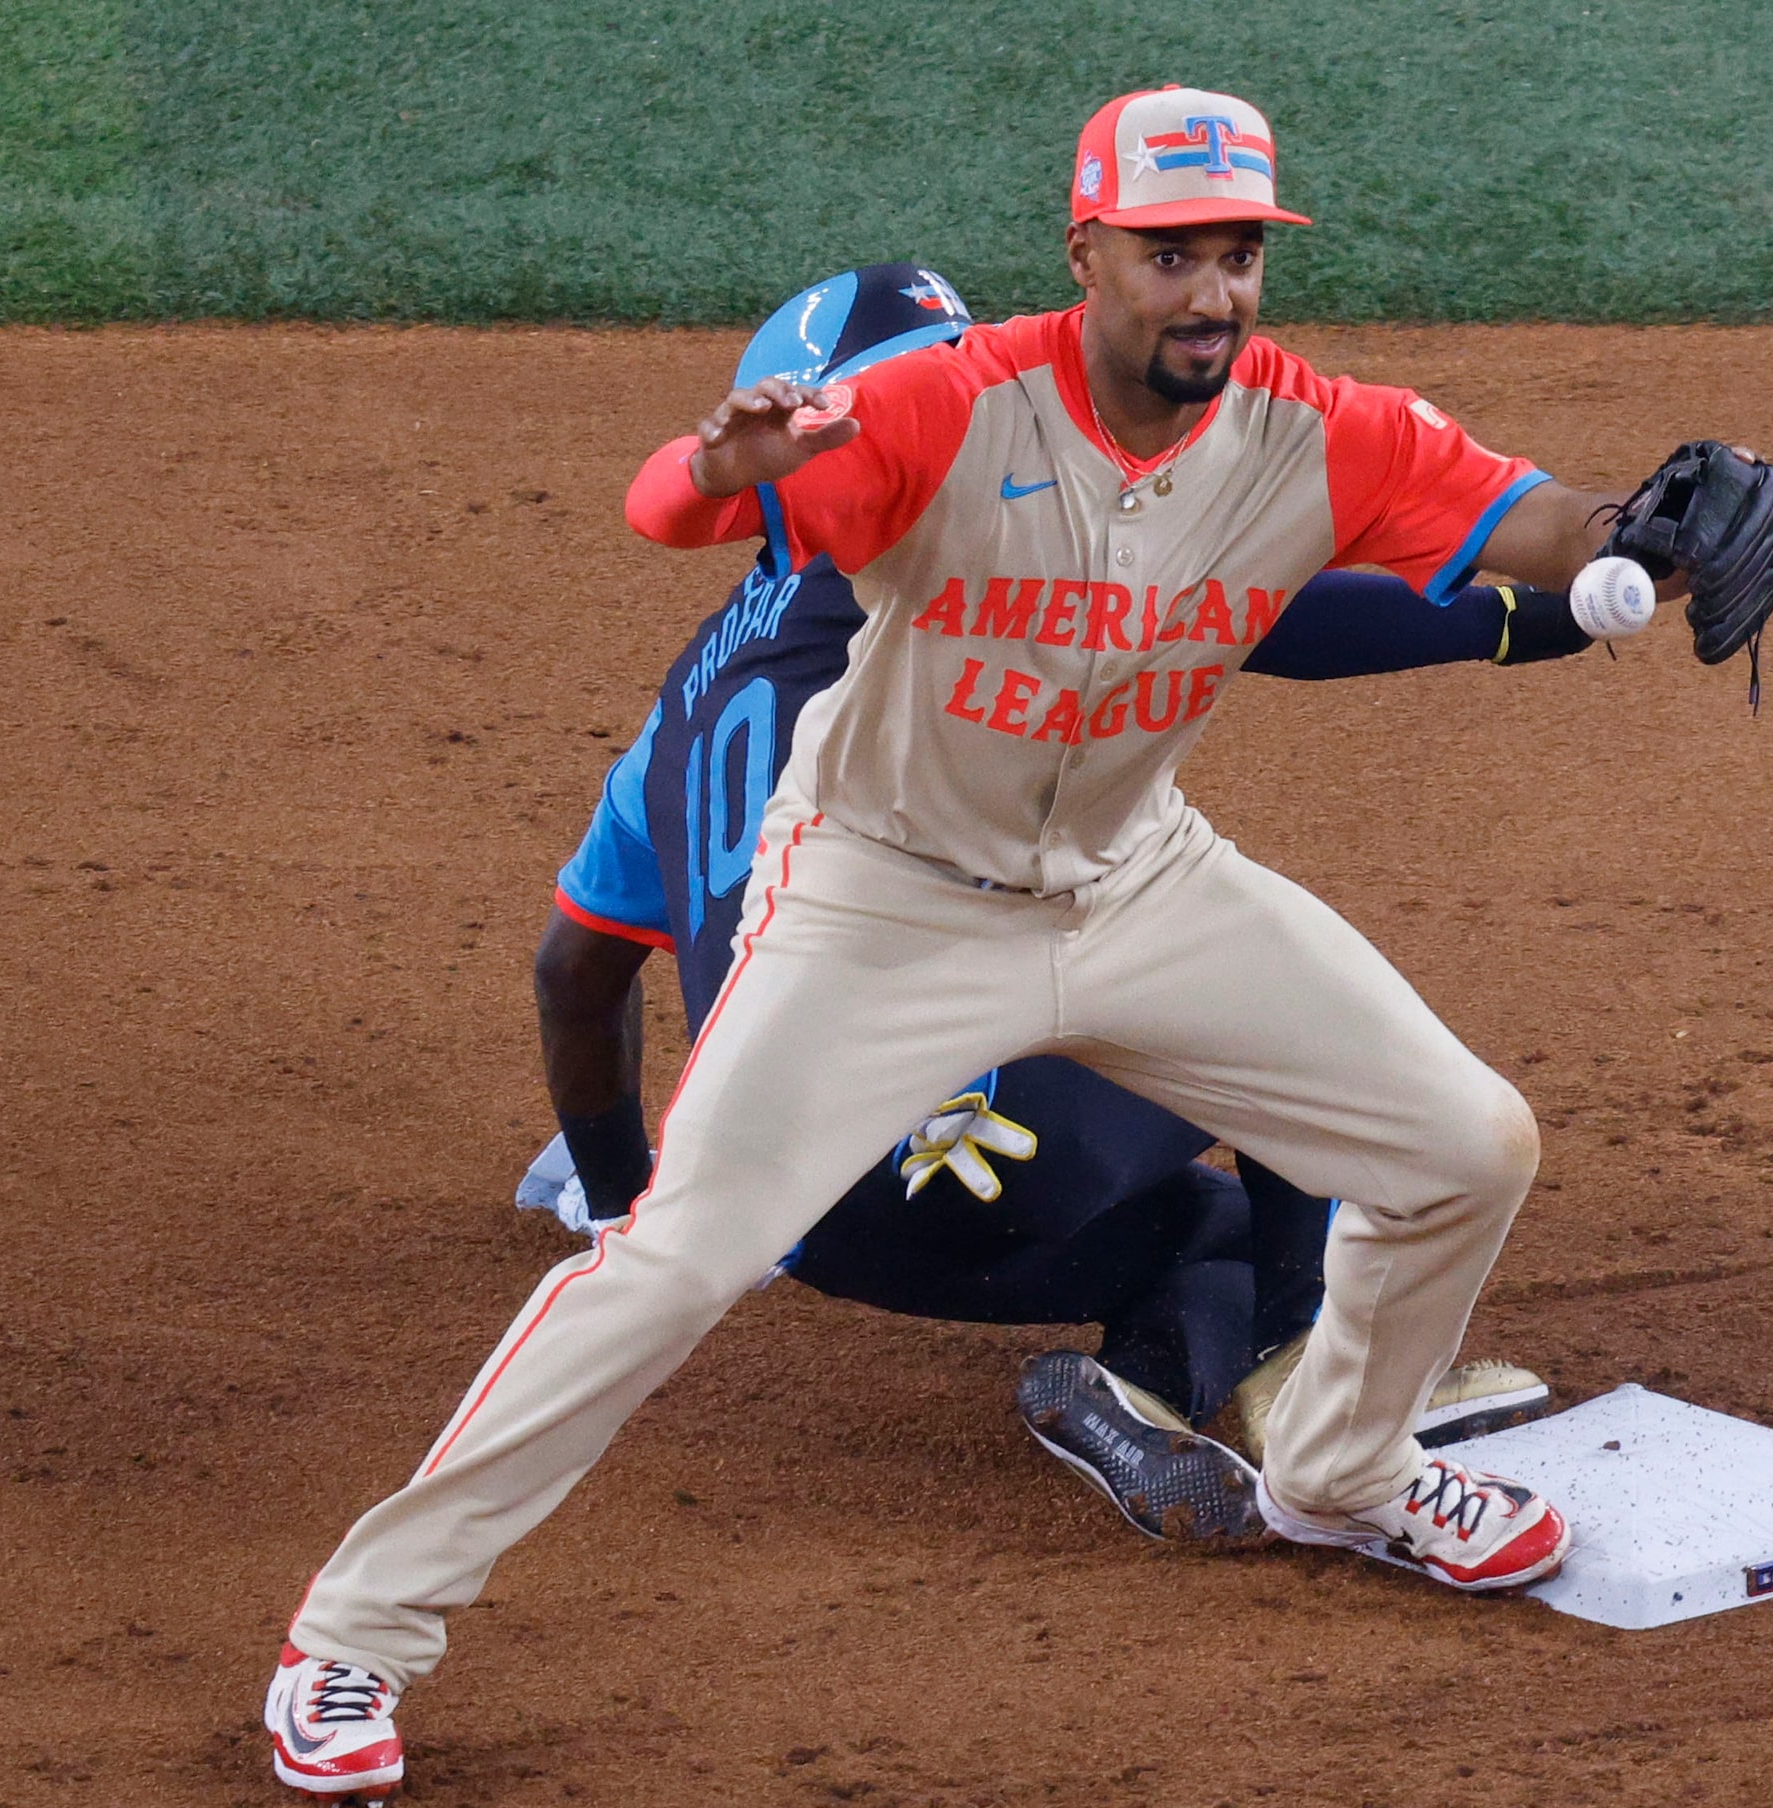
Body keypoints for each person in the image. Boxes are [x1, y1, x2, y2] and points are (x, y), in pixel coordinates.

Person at [269, 84, 1756, 1807]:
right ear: (1088, 252)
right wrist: (719, 464)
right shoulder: (946, 408)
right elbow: (666, 510)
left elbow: (1536, 520)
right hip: (884, 907)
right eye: (1172, 251)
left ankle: (1345, 1468)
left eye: (1239, 254)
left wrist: (1653, 512)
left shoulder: (1311, 429)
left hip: (1140, 879)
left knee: (1466, 1140)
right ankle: (357, 1633)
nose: (1211, 289)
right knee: (669, 1259)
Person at [518, 263, 1585, 1540]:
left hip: (823, 1220)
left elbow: (572, 973)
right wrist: (1523, 620)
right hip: (1015, 1163)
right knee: (1270, 1033)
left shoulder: (686, 703)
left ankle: (1138, 1380)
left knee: (1201, 1220)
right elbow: (1268, 615)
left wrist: (625, 1200)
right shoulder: (935, 585)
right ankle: (1295, 1355)